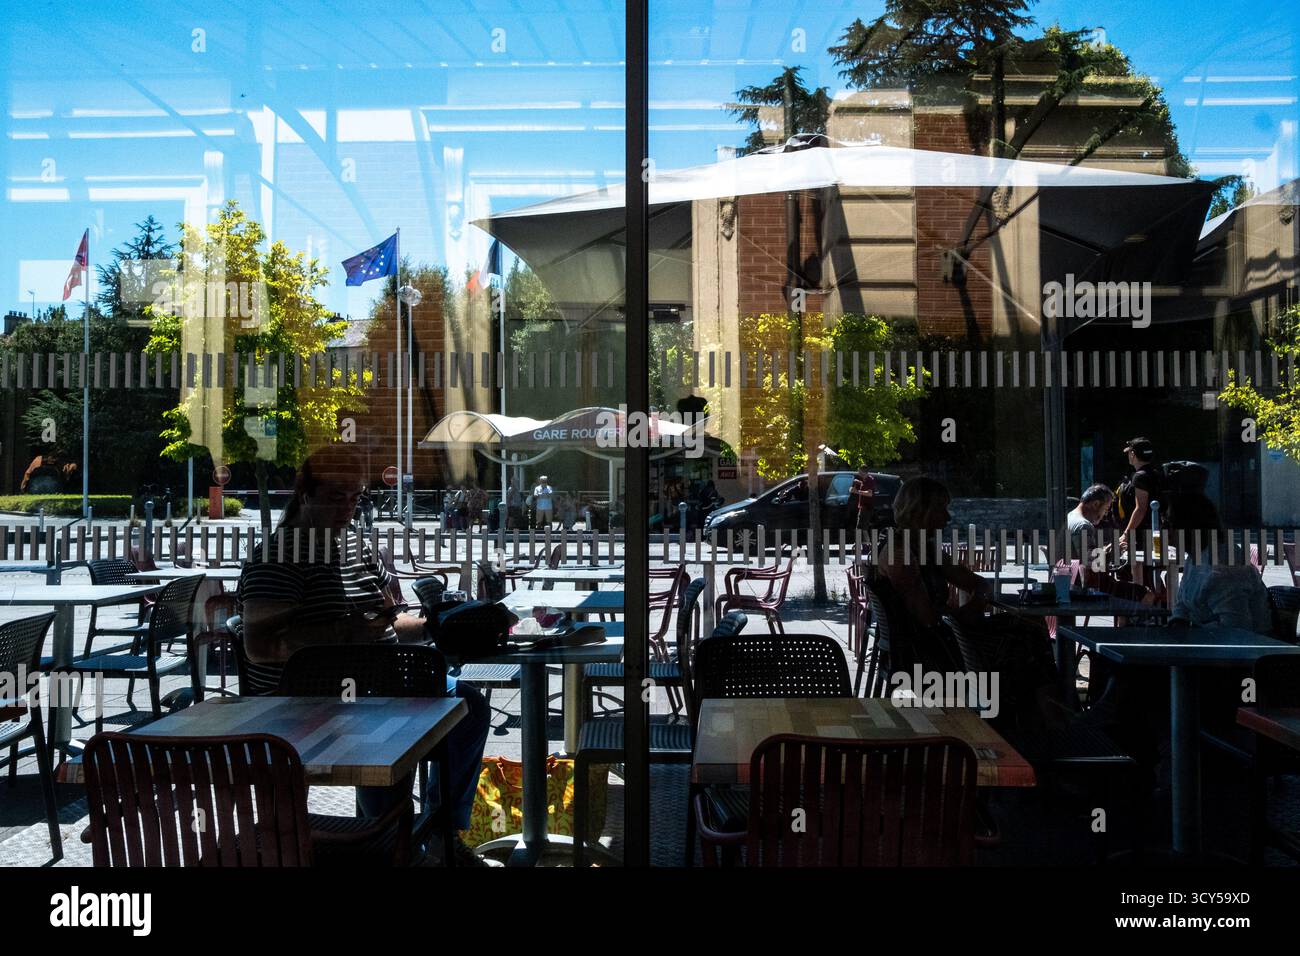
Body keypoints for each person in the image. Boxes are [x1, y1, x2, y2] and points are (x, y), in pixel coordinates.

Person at [237, 443, 492, 866]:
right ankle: (390, 839)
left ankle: (438, 831)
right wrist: (343, 633)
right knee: (389, 726)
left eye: (356, 497)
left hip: (376, 683)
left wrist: (442, 625)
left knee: (469, 707)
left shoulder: (357, 547)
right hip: (308, 701)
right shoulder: (280, 557)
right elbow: (260, 648)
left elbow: (393, 622)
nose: (348, 508)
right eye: (337, 497)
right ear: (305, 494)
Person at [874, 476, 1065, 730]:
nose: (948, 517)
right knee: (1026, 640)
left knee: (1031, 627)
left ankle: (1040, 719)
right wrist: (971, 611)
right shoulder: (902, 554)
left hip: (944, 637)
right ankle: (1044, 722)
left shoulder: (924, 548)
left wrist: (974, 605)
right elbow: (929, 621)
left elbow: (977, 584)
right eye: (941, 508)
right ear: (919, 511)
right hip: (931, 650)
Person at [1115, 437, 1162, 588]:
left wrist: (1127, 534)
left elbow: (1140, 508)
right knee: (1150, 572)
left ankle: (1141, 605)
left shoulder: (1140, 477)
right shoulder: (1157, 473)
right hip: (1155, 532)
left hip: (1142, 535)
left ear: (1133, 454)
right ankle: (1157, 604)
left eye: (1129, 453)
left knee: (1135, 574)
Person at [1063, 483, 1113, 559]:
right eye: (1106, 509)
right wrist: (1111, 552)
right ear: (1096, 504)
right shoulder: (1083, 525)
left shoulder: (1070, 515)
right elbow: (1089, 560)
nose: (1105, 514)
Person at [849, 466, 876, 534]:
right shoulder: (864, 480)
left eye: (859, 471)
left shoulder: (870, 480)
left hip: (867, 507)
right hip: (863, 507)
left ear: (863, 472)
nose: (858, 473)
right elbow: (864, 487)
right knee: (860, 527)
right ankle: (861, 543)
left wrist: (856, 491)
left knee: (863, 528)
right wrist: (857, 482)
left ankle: (865, 543)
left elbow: (870, 494)